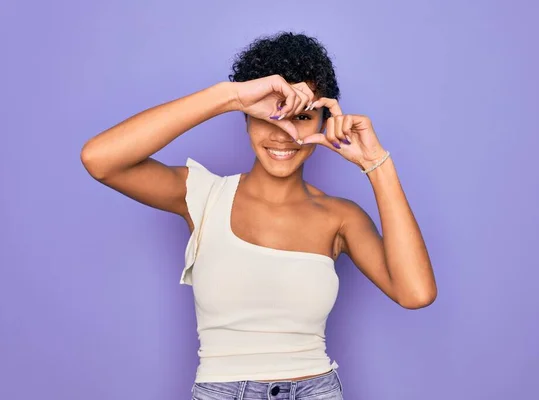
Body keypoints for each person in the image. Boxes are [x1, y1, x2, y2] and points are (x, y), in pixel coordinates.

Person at [81, 31, 437, 400]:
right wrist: (230, 95)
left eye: (301, 116)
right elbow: (100, 159)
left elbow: (415, 293)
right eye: (270, 114)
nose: (283, 133)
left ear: (324, 121)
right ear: (246, 118)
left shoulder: (340, 217)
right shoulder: (204, 196)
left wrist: (375, 163)